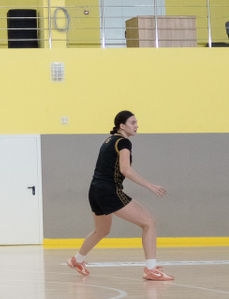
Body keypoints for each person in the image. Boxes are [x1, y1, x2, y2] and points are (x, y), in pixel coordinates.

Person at [67, 110, 174, 282]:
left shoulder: (109, 140)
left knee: (102, 230)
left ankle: (77, 260)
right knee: (149, 223)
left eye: (136, 122)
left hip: (95, 191)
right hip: (109, 192)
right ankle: (151, 269)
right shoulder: (123, 142)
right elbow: (125, 170)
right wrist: (150, 185)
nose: (136, 126)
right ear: (122, 126)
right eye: (133, 122)